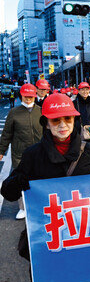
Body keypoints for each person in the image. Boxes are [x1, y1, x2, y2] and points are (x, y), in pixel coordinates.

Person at [0, 93, 90, 282]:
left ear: (75, 120)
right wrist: (17, 181)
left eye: (68, 118)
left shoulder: (87, 151)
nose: (63, 124)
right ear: (46, 123)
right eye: (56, 120)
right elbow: (8, 191)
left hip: (76, 236)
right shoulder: (32, 155)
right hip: (45, 239)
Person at [0, 83, 42, 220]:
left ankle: (40, 206)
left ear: (35, 96)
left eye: (31, 96)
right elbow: (6, 134)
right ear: (21, 96)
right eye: (26, 96)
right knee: (21, 181)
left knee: (39, 180)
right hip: (20, 154)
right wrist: (1, 151)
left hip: (39, 153)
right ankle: (22, 208)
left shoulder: (41, 111)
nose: (28, 99)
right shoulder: (14, 113)